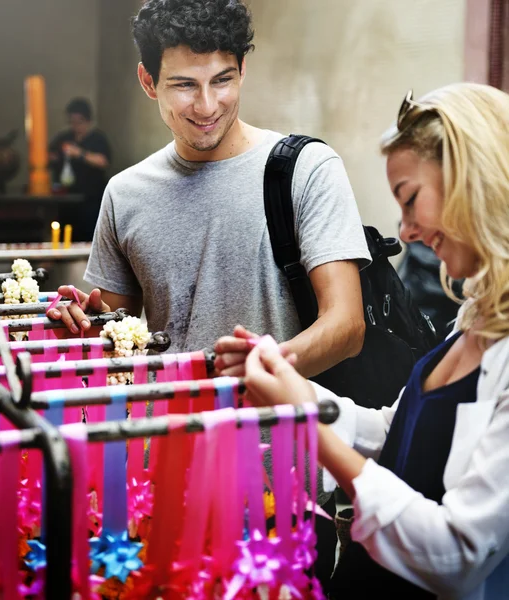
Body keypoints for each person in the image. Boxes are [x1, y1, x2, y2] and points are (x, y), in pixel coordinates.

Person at [46, 0, 370, 590]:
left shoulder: (305, 169)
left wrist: (259, 373)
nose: (207, 105)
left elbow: (346, 324)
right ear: (148, 82)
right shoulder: (125, 194)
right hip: (161, 476)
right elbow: (121, 337)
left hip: (284, 477)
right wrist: (83, 326)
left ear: (242, 70)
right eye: (184, 86)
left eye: (223, 80)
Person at [242, 82, 509, 599]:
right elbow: (396, 431)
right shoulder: (475, 317)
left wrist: (309, 429)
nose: (405, 231)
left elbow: (457, 555)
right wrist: (288, 382)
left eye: (411, 200)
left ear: (474, 183)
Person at [48, 97, 112, 241]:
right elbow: (49, 156)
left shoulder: (97, 138)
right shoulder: (64, 137)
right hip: (66, 200)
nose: (75, 126)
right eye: (72, 122)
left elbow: (103, 161)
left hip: (90, 200)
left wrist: (79, 154)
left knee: (89, 238)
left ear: (88, 121)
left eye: (79, 122)